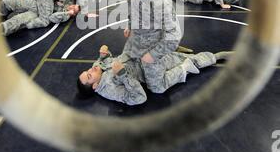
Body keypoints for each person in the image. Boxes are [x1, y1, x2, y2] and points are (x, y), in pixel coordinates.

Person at [77, 45, 232, 105]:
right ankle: (216, 56)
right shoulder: (108, 89)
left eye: (87, 71)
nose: (92, 69)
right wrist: (123, 75)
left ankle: (176, 54)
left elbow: (100, 63)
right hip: (148, 66)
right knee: (158, 87)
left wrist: (103, 55)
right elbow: (138, 97)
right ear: (96, 86)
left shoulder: (97, 70)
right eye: (89, 75)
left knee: (161, 82)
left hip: (139, 55)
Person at [121, 0, 182, 94]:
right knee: (125, 70)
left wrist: (153, 55)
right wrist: (129, 26)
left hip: (155, 44)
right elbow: (133, 12)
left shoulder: (159, 0)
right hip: (139, 39)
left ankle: (185, 67)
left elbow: (174, 36)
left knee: (157, 88)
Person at [0, 0, 78, 36]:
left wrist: (67, 13)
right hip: (35, 4)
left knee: (17, 20)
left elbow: (52, 17)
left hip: (39, 14)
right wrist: (56, 1)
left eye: (74, 10)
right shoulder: (67, 0)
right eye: (73, 6)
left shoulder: (65, 16)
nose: (72, 8)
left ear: (73, 13)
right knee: (6, 2)